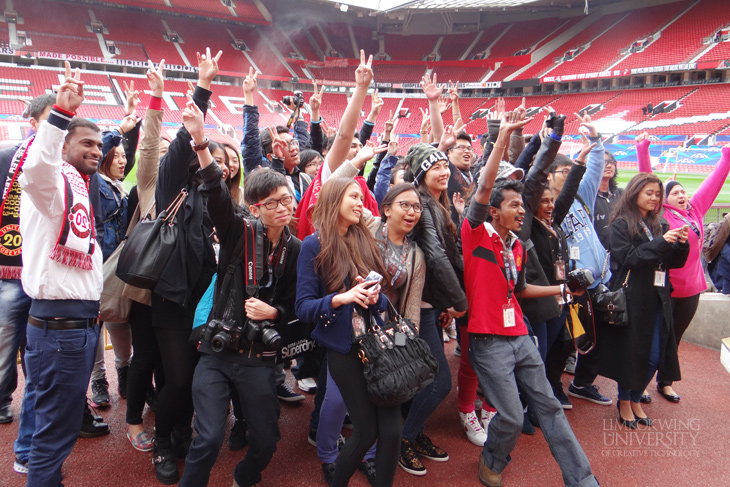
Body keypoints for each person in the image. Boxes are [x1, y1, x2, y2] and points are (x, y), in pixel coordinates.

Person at [461, 109, 600, 487]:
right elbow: (485, 185)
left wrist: (562, 289)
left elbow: (520, 291)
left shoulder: (518, 248)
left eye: (523, 206)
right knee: (509, 416)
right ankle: (493, 457)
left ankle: (581, 478)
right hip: (488, 342)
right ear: (494, 211)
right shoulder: (475, 234)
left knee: (550, 407)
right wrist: (503, 136)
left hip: (521, 336)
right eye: (514, 205)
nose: (521, 210)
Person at [178, 97, 301, 487]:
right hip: (218, 351)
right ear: (255, 206)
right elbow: (215, 194)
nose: (284, 208)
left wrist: (275, 314)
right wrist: (200, 142)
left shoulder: (295, 248)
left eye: (288, 199)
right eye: (274, 202)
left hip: (259, 358)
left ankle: (244, 477)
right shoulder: (238, 232)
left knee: (266, 441)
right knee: (210, 437)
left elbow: (294, 303)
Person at [18, 62, 104, 486]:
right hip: (61, 327)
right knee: (54, 433)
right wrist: (60, 116)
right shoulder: (54, 183)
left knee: (61, 427)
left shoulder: (74, 189)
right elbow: (37, 169)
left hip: (74, 326)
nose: (97, 150)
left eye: (100, 145)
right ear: (62, 146)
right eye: (87, 142)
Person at [296, 177, 399, 487]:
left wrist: (372, 296)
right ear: (333, 200)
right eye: (353, 196)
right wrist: (340, 298)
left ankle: (367, 459)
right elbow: (303, 307)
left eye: (361, 197)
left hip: (374, 343)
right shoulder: (313, 245)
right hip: (341, 346)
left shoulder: (364, 239)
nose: (360, 203)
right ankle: (329, 457)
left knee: (385, 421)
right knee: (339, 405)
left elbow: (381, 299)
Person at [149, 47, 221, 484]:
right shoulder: (172, 186)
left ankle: (179, 433)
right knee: (176, 379)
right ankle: (162, 443)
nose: (205, 155)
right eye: (201, 150)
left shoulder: (211, 195)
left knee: (193, 376)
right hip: (172, 298)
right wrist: (204, 86)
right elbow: (180, 145)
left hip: (204, 300)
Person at [636, 134, 730, 402]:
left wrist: (726, 157)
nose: (682, 195)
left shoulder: (696, 211)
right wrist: (643, 149)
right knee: (654, 337)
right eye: (674, 192)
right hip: (665, 287)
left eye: (683, 192)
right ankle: (640, 382)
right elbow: (647, 180)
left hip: (692, 289)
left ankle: (665, 382)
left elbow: (712, 185)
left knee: (674, 340)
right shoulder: (658, 213)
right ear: (664, 198)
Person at [399, 140, 468, 475]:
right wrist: (461, 302)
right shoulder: (424, 206)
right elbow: (438, 258)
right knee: (438, 382)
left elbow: (452, 254)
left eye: (445, 166)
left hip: (430, 304)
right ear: (421, 174)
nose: (443, 172)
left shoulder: (438, 205)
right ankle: (404, 438)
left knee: (425, 380)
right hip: (420, 307)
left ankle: (415, 434)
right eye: (434, 167)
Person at [601, 173, 689, 428]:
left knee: (655, 354)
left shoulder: (659, 222)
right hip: (632, 296)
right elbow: (628, 258)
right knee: (631, 352)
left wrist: (680, 244)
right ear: (635, 192)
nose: (654, 198)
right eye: (649, 192)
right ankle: (625, 401)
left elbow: (672, 262)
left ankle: (636, 396)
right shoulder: (620, 224)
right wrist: (662, 242)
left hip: (658, 297)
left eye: (657, 194)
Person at [547, 113, 612, 407]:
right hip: (572, 288)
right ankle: (554, 387)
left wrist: (596, 142)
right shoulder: (547, 207)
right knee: (566, 340)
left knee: (596, 337)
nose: (568, 175)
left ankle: (582, 384)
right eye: (563, 171)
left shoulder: (582, 194)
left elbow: (596, 170)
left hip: (598, 281)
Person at [0, 93, 54, 429]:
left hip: (48, 270)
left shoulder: (64, 163)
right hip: (12, 268)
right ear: (32, 123)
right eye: (52, 119)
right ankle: (3, 398)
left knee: (43, 348)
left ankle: (42, 406)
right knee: (7, 337)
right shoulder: (6, 157)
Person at [594, 149, 623, 249]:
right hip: (596, 253)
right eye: (604, 162)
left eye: (611, 162)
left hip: (619, 252)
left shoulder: (621, 194)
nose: (609, 165)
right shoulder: (586, 196)